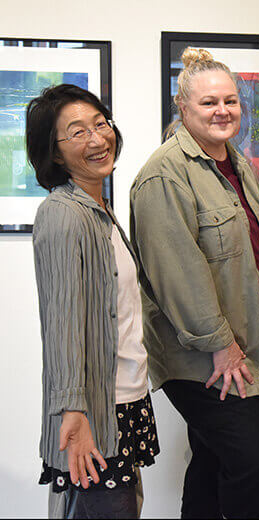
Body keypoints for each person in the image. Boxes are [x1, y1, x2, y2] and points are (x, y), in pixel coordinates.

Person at [129, 48, 259, 519]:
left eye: (230, 101)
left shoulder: (232, 161)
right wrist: (221, 346)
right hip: (205, 357)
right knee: (256, 466)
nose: (222, 111)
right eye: (208, 103)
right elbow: (178, 276)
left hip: (237, 347)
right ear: (182, 108)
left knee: (211, 460)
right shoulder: (164, 175)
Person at [29, 84, 159, 518]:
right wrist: (74, 415)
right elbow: (62, 324)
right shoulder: (63, 213)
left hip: (124, 399)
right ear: (55, 152)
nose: (98, 139)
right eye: (78, 132)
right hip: (92, 412)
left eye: (100, 124)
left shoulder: (98, 209)